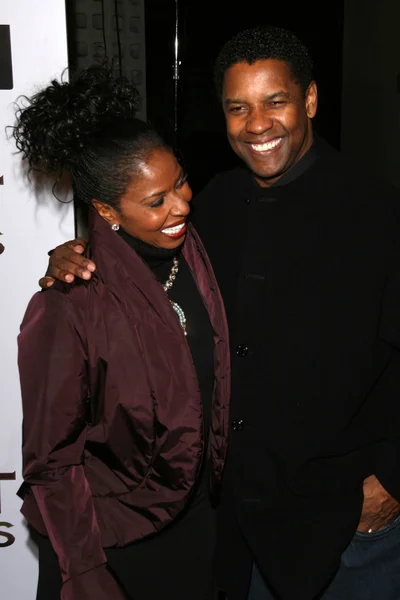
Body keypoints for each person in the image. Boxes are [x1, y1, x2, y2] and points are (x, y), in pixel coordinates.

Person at [39, 27, 400, 600]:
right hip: (233, 531)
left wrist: (389, 482)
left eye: (275, 101)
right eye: (239, 108)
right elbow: (142, 252)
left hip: (345, 528)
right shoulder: (213, 203)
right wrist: (77, 254)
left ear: (309, 100)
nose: (257, 124)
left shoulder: (381, 215)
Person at [13, 65, 230, 600]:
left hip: (200, 527)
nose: (181, 204)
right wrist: (85, 571)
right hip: (115, 547)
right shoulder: (67, 307)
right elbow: (51, 461)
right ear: (107, 211)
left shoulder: (199, 256)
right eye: (156, 201)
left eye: (179, 179)